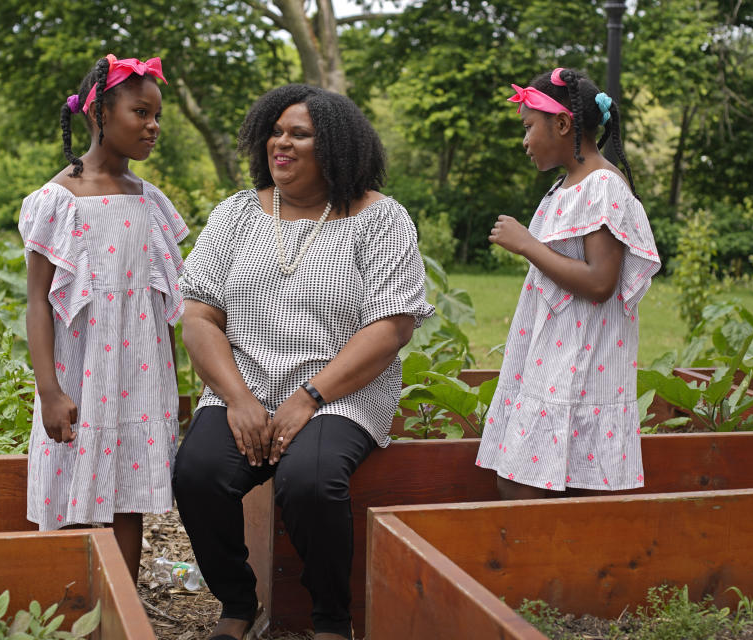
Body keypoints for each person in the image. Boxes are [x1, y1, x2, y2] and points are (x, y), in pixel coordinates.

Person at [173, 84, 434, 640]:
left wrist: (307, 398)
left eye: (299, 134)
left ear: (335, 147)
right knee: (197, 474)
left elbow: (391, 328)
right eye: (276, 131)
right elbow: (197, 315)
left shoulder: (380, 219)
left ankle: (330, 621)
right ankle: (237, 604)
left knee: (311, 481)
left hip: (342, 393)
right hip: (244, 386)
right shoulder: (238, 214)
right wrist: (240, 399)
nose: (281, 144)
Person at [19, 54, 188, 582]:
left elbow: (160, 306)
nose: (153, 126)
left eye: (157, 115)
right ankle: (75, 609)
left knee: (126, 497)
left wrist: (172, 385)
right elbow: (38, 302)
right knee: (75, 484)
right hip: (82, 375)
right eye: (141, 112)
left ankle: (123, 613)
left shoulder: (150, 201)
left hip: (138, 377)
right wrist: (49, 390)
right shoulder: (58, 202)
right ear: (98, 115)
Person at [474, 67, 661, 500]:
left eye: (527, 127)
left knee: (532, 483)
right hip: (551, 357)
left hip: (582, 363)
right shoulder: (566, 187)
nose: (524, 141)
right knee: (516, 474)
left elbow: (600, 282)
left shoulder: (603, 187)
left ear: (562, 124)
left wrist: (526, 244)